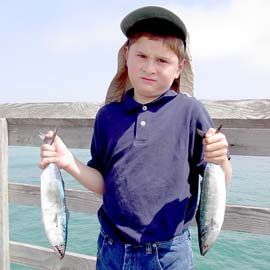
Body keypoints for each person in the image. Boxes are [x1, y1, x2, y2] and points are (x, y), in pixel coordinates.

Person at [40, 6, 232, 270]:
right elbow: (103, 184)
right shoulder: (107, 116)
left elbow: (221, 180)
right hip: (111, 249)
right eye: (141, 55)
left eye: (162, 61)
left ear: (180, 68)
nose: (150, 68)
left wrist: (220, 159)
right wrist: (68, 161)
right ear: (126, 56)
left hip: (169, 253)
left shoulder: (190, 111)